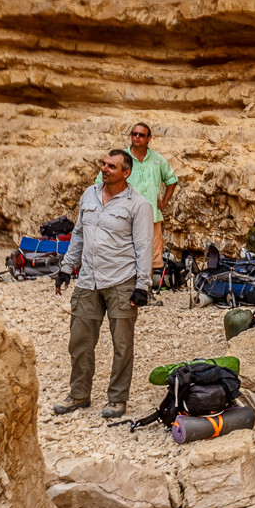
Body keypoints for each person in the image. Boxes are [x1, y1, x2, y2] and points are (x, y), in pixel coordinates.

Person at [53, 149, 153, 419]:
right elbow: (78, 234)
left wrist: (142, 285)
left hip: (121, 282)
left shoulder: (138, 205)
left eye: (111, 166)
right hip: (87, 280)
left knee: (122, 346)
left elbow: (144, 247)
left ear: (126, 172)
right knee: (80, 341)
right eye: (104, 164)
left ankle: (117, 399)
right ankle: (79, 394)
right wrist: (65, 268)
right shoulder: (89, 195)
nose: (104, 169)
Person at [96, 122, 178, 299]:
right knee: (121, 252)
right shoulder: (120, 159)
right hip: (122, 216)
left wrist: (164, 201)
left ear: (149, 138)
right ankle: (120, 291)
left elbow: (172, 180)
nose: (137, 137)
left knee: (148, 255)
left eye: (141, 135)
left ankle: (143, 292)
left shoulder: (158, 160)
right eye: (134, 134)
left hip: (151, 217)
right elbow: (100, 183)